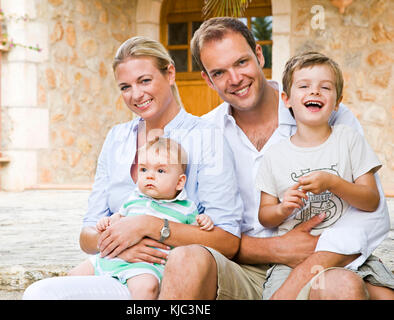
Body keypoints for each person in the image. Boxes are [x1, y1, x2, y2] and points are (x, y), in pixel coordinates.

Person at [158, 17, 392, 300]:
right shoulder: (203, 136)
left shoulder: (328, 116)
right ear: (207, 80)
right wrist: (275, 248)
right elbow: (190, 221)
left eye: (241, 62)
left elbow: (373, 216)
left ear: (259, 55)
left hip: (321, 261)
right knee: (186, 259)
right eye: (219, 72)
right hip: (239, 268)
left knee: (344, 286)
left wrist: (309, 262)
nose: (235, 79)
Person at [23, 35, 243, 299]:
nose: (136, 95)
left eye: (145, 80)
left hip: (166, 276)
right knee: (39, 293)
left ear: (170, 73)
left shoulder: (207, 137)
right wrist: (120, 246)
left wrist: (149, 226)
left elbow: (227, 241)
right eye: (125, 87)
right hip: (114, 266)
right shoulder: (116, 138)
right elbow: (87, 233)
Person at [255, 51, 394, 300]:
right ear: (286, 99)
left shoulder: (348, 140)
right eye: (304, 86)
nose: (315, 92)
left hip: (350, 253)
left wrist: (334, 182)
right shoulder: (274, 155)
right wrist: (283, 209)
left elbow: (371, 200)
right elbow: (265, 215)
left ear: (337, 102)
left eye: (325, 87)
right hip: (293, 262)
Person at [67, 137, 214, 299]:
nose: (150, 176)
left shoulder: (186, 209)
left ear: (180, 182)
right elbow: (118, 218)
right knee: (73, 275)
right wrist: (107, 223)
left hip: (147, 265)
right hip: (111, 259)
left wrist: (204, 222)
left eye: (160, 171)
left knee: (146, 288)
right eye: (144, 170)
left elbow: (195, 238)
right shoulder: (133, 199)